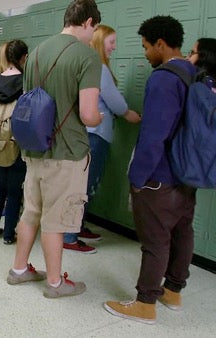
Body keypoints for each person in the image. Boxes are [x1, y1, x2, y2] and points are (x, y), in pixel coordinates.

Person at [104, 15, 198, 324]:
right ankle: (173, 291)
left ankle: (145, 303)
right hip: (186, 173)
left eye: (146, 47)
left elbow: (153, 136)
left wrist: (138, 178)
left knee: (155, 241)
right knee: (182, 232)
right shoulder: (192, 72)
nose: (145, 54)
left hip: (159, 177)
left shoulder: (163, 78)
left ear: (160, 44)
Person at [6, 0, 102, 298]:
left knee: (32, 211)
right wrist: (99, 116)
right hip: (67, 152)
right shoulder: (87, 56)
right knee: (56, 220)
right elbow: (88, 114)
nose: (93, 36)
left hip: (35, 149)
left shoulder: (36, 52)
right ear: (87, 22)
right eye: (94, 29)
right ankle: (56, 284)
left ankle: (19, 269)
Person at [63, 24, 141, 254]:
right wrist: (129, 114)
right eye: (111, 42)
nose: (115, 47)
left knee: (84, 184)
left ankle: (78, 227)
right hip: (95, 136)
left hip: (87, 134)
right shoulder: (100, 69)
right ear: (99, 43)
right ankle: (70, 234)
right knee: (85, 185)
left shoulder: (87, 66)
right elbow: (115, 103)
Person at [0, 40, 28, 245]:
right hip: (15, 140)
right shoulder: (25, 82)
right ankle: (9, 234)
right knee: (14, 191)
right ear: (22, 58)